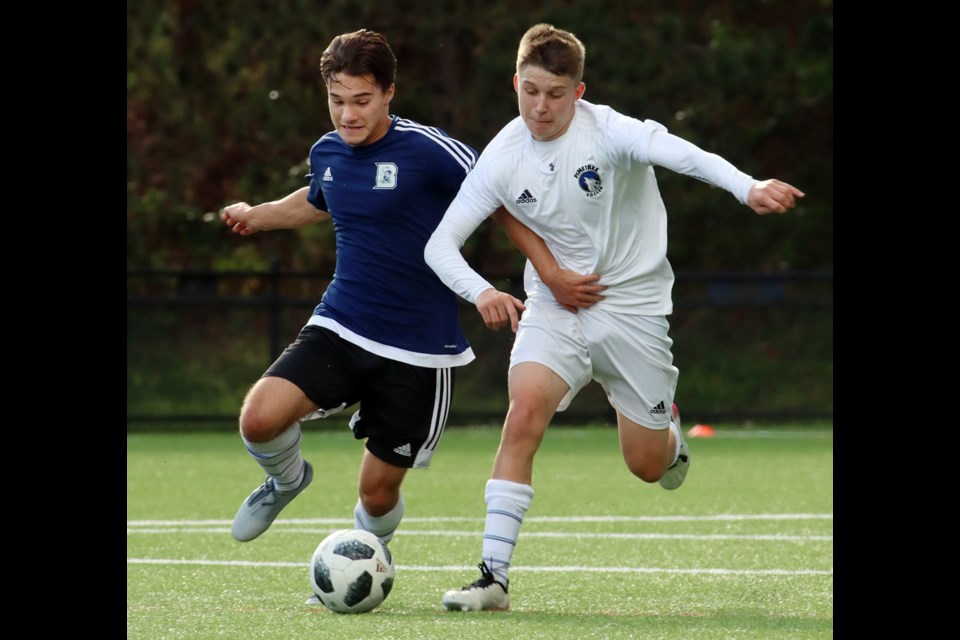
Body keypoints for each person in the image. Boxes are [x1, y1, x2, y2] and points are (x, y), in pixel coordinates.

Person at [424, 23, 805, 612]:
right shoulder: (502, 156)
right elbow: (440, 244)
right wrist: (480, 293)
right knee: (523, 413)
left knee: (647, 466)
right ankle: (492, 578)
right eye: (530, 91)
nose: (540, 106)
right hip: (555, 310)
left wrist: (746, 186)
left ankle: (668, 435)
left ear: (579, 92)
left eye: (555, 93)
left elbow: (683, 154)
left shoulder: (609, 131)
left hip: (633, 312)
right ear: (515, 83)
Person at [219, 28, 593, 578]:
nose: (347, 114)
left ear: (389, 92)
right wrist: (259, 213)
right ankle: (285, 480)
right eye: (337, 100)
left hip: (420, 349)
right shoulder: (328, 151)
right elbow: (319, 197)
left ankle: (367, 558)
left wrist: (551, 271)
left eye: (361, 101)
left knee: (375, 494)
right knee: (258, 418)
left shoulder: (429, 150)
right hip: (341, 324)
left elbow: (501, 200)